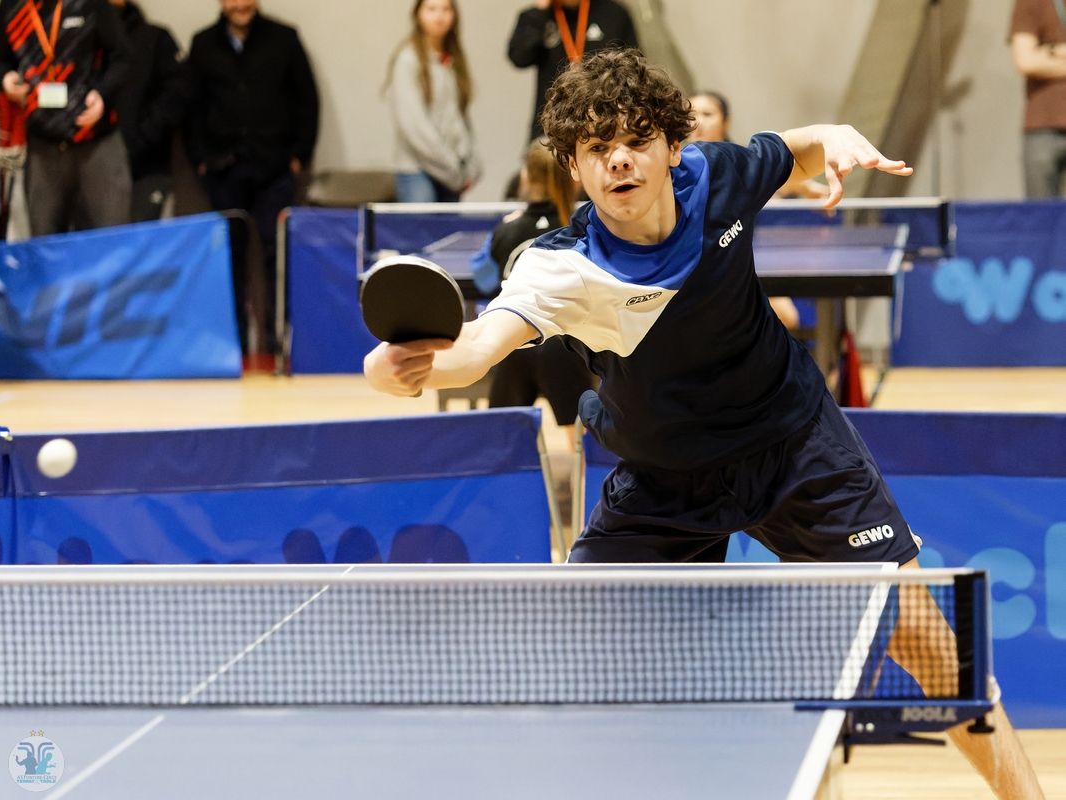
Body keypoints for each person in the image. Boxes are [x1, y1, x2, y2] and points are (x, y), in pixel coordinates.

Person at [364, 49, 1045, 800]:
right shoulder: (560, 267)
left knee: (936, 653)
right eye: (597, 148)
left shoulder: (715, 179)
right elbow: (475, 349)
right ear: (574, 167)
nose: (619, 159)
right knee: (572, 659)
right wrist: (399, 367)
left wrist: (832, 137)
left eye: (636, 140)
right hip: (665, 479)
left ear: (672, 147)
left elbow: (795, 149)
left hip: (794, 446)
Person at [186, 0, 319, 351]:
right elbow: (191, 108)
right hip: (223, 168)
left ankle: (280, 345)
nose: (240, 4)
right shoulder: (203, 44)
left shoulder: (284, 38)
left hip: (273, 166)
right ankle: (234, 346)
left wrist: (299, 154)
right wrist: (201, 158)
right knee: (229, 255)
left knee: (277, 253)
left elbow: (307, 99)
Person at [470, 139, 596, 433]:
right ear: (574, 178)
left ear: (525, 177)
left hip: (512, 343)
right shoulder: (585, 227)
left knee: (506, 437)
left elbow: (482, 279)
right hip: (567, 346)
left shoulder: (506, 229)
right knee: (580, 436)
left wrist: (502, 235)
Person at [687, 89, 827, 331]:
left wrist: (808, 188)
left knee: (786, 316)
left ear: (725, 122)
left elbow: (770, 176)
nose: (697, 122)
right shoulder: (673, 164)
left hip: (735, 262)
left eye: (707, 114)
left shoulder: (736, 160)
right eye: (690, 116)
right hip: (691, 267)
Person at [0, 0, 131, 236]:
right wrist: (4, 78)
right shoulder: (11, 8)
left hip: (96, 140)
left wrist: (103, 95)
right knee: (44, 240)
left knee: (113, 238)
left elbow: (122, 56)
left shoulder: (91, 3)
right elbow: (1, 60)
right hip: (43, 143)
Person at [386, 0, 480, 203]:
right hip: (417, 172)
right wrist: (452, 168)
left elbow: (460, 117)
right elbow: (415, 127)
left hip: (452, 171)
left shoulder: (453, 58)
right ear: (417, 15)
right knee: (424, 225)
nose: (439, 16)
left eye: (446, 9)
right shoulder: (408, 59)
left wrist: (471, 164)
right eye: (431, 9)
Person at [508, 0, 638, 141]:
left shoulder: (614, 12)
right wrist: (540, 11)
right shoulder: (537, 16)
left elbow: (633, 66)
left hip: (606, 119)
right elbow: (520, 57)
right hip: (553, 122)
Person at [109, 0, 189, 222]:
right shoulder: (82, 42)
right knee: (100, 240)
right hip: (92, 166)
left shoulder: (155, 37)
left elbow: (179, 92)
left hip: (147, 166)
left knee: (143, 239)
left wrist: (145, 133)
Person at [1010, 0, 1066, 197]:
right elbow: (1025, 60)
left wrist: (1050, 51)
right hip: (1043, 124)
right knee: (1040, 210)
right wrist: (1054, 51)